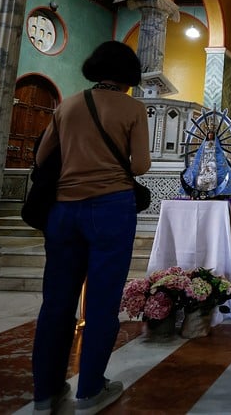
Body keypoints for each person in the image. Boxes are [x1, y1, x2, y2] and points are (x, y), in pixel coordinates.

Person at [31, 40, 150, 415]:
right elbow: (141, 165)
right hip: (111, 208)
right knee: (101, 302)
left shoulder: (68, 104)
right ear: (128, 75)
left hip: (63, 210)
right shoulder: (132, 108)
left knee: (56, 303)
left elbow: (40, 156)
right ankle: (91, 389)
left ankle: (45, 394)